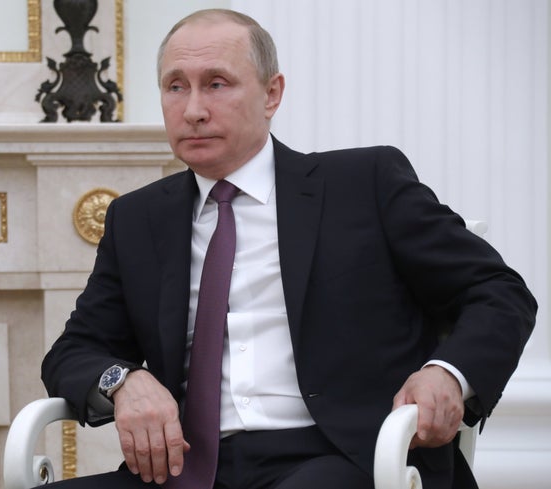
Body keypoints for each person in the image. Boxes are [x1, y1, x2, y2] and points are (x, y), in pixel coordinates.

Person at [40, 8, 536, 489]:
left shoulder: (364, 184)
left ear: (271, 94)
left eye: (216, 83)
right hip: (187, 471)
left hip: (347, 459)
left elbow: (498, 292)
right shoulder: (138, 219)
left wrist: (447, 375)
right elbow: (74, 350)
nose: (192, 109)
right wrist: (121, 381)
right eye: (176, 86)